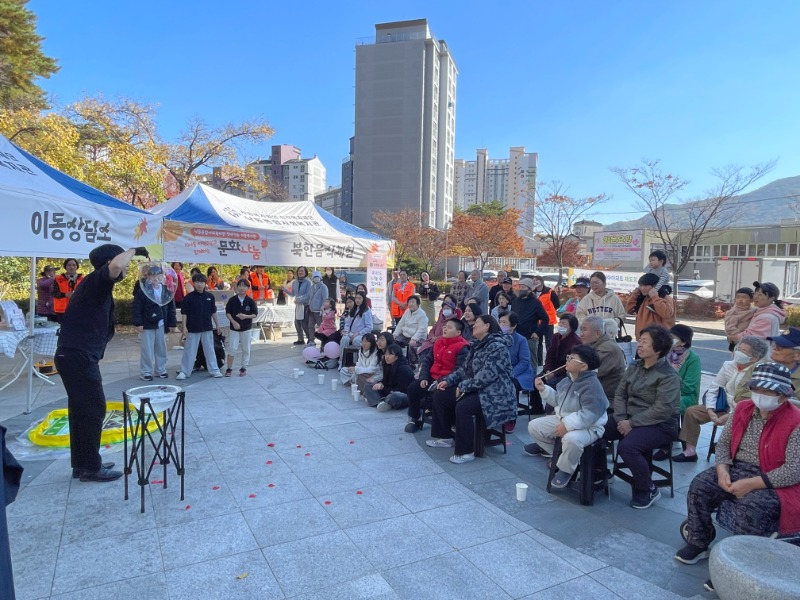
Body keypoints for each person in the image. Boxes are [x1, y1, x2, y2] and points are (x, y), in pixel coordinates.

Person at [675, 362, 800, 566]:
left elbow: (794, 470)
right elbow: (723, 445)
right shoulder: (743, 408)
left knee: (752, 506)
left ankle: (738, 563)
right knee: (700, 485)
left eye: (767, 391)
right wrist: (722, 470)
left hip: (771, 478)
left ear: (784, 395)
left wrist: (750, 484)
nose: (760, 395)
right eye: (757, 389)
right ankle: (699, 540)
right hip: (737, 467)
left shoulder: (796, 421)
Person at [54, 244, 150, 482]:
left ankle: (83, 463)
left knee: (81, 412)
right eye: (125, 264)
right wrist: (134, 250)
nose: (126, 268)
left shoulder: (95, 286)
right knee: (93, 409)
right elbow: (117, 265)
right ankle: (90, 467)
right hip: (78, 357)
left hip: (75, 356)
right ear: (109, 263)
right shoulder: (98, 280)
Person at [604, 324, 681, 509]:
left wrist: (632, 423)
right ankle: (598, 474)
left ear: (659, 348)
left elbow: (662, 409)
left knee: (628, 447)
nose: (639, 345)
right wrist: (621, 418)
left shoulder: (668, 375)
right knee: (597, 428)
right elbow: (620, 393)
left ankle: (648, 488)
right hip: (629, 417)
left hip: (661, 425)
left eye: (645, 342)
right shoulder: (634, 366)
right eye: (640, 340)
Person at [426, 315, 517, 463]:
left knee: (464, 407)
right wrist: (448, 381)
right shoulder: (476, 344)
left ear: (487, 326)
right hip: (477, 389)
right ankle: (445, 437)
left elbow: (487, 376)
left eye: (477, 324)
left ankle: (466, 451)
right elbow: (463, 370)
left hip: (495, 394)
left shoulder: (497, 347)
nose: (473, 326)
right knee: (440, 395)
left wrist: (463, 386)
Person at [673, 336, 769, 462]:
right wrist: (710, 410)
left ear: (754, 358)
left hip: (744, 411)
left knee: (738, 424)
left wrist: (731, 416)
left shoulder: (759, 372)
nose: (738, 352)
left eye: (744, 351)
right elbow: (715, 387)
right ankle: (690, 451)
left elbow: (753, 403)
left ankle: (733, 456)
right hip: (723, 406)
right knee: (692, 412)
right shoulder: (728, 365)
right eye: (738, 348)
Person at [526, 345, 609, 489]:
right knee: (535, 426)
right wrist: (543, 390)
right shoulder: (567, 381)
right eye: (568, 357)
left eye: (572, 358)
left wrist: (568, 425)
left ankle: (565, 470)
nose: (567, 360)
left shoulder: (592, 386)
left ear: (583, 367)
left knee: (572, 440)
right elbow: (558, 400)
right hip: (563, 419)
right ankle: (563, 457)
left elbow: (590, 414)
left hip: (590, 427)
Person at [404, 318, 470, 433]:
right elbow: (427, 361)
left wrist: (443, 380)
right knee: (413, 388)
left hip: (448, 380)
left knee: (440, 395)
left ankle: (446, 426)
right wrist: (423, 377)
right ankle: (414, 418)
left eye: (449, 327)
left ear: (458, 332)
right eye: (444, 327)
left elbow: (460, 369)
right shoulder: (438, 342)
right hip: (432, 376)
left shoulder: (463, 347)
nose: (445, 329)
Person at [652, 324, 701, 461]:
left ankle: (665, 445)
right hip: (664, 391)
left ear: (683, 341)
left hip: (685, 395)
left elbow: (690, 386)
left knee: (666, 405)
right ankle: (655, 438)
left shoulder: (692, 359)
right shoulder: (665, 354)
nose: (669, 339)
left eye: (672, 337)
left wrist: (667, 388)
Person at [132, 264, 177, 381]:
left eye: (159, 274)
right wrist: (138, 323)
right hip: (147, 323)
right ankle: (146, 371)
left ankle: (161, 369)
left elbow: (171, 308)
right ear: (148, 277)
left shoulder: (166, 289)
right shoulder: (143, 290)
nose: (156, 277)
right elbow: (136, 307)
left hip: (161, 323)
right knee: (147, 348)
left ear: (162, 276)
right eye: (153, 275)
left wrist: (172, 323)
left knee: (161, 347)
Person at [177, 273, 224, 380]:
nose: (199, 284)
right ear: (193, 283)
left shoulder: (209, 297)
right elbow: (184, 313)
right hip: (193, 328)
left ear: (205, 284)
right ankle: (184, 371)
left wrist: (217, 325)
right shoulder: (188, 298)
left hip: (207, 327)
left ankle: (214, 370)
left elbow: (213, 312)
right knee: (190, 350)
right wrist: (184, 327)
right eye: (197, 282)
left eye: (201, 282)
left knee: (209, 350)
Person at [578, 316, 627, 404]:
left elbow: (586, 374)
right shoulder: (593, 344)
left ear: (597, 333)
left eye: (584, 330)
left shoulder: (608, 349)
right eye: (580, 330)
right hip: (593, 395)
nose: (581, 334)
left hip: (606, 400)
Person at [499, 312, 535, 429]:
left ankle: (511, 417)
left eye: (504, 322)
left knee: (510, 385)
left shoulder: (521, 340)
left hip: (520, 372)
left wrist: (511, 374)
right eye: (500, 322)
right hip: (501, 371)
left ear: (513, 325)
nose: (501, 325)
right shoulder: (497, 337)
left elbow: (524, 362)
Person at [511, 278, 549, 369]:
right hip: (516, 336)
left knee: (531, 362)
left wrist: (538, 333)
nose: (520, 289)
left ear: (529, 289)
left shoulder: (535, 303)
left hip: (529, 338)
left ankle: (532, 381)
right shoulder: (515, 301)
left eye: (523, 287)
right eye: (520, 287)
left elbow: (545, 318)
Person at [575, 271, 626, 337]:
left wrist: (611, 323)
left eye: (596, 282)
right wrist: (590, 325)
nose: (594, 285)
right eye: (592, 283)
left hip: (609, 337)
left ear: (604, 283)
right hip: (591, 337)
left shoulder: (614, 298)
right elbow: (580, 315)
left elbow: (622, 316)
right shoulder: (586, 299)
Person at [625, 273, 676, 338]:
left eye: (645, 286)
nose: (642, 288)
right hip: (642, 338)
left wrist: (655, 297)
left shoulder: (665, 298)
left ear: (655, 286)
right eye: (640, 285)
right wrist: (635, 295)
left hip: (659, 340)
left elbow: (666, 314)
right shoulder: (644, 298)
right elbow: (628, 310)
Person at [224, 278, 257, 377]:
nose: (242, 288)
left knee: (246, 348)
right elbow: (228, 312)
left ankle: (244, 367)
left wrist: (245, 316)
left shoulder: (250, 301)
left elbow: (255, 314)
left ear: (248, 288)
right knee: (232, 348)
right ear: (237, 287)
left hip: (246, 328)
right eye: (240, 285)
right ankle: (229, 368)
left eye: (244, 286)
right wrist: (233, 321)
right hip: (234, 328)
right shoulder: (232, 300)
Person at [367, 344, 415, 411]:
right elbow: (385, 381)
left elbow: (401, 389)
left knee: (395, 396)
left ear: (397, 357)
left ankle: (383, 401)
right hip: (389, 391)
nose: (387, 357)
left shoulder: (403, 369)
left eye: (390, 354)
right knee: (368, 385)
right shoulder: (387, 365)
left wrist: (383, 387)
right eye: (386, 354)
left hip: (403, 394)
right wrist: (380, 384)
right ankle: (379, 403)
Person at [543, 314, 581, 387]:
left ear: (571, 327)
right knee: (535, 381)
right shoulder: (556, 336)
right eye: (560, 322)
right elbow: (549, 355)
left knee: (551, 385)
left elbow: (570, 363)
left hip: (565, 373)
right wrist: (547, 370)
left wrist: (554, 374)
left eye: (564, 324)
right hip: (551, 370)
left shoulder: (576, 342)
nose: (560, 325)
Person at [531, 275, 561, 365]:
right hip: (537, 321)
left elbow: (557, 304)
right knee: (538, 343)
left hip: (548, 321)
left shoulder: (549, 292)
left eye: (536, 280)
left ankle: (550, 362)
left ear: (541, 281)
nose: (535, 282)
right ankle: (539, 362)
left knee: (549, 342)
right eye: (533, 280)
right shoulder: (532, 293)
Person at [393, 295, 429, 365]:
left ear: (418, 304)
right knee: (394, 340)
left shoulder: (422, 314)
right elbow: (401, 324)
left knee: (412, 346)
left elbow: (421, 329)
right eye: (409, 302)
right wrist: (395, 334)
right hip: (406, 335)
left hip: (418, 337)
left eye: (413, 302)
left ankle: (413, 364)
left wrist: (414, 339)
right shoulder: (407, 311)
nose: (410, 304)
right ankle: (398, 361)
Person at [356, 331, 394, 395]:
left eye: (382, 340)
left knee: (365, 382)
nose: (379, 342)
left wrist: (374, 379)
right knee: (360, 377)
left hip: (388, 380)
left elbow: (387, 373)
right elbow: (379, 371)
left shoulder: (391, 353)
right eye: (378, 340)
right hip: (379, 376)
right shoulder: (379, 353)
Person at [724, 287, 755, 352]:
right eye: (738, 297)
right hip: (738, 341)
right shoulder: (732, 312)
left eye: (744, 297)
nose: (740, 299)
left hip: (750, 340)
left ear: (751, 300)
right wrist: (738, 337)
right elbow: (729, 327)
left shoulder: (754, 311)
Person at [286, 266, 311, 345]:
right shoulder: (295, 282)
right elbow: (293, 294)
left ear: (305, 272)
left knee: (304, 323)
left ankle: (310, 339)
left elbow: (308, 295)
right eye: (299, 271)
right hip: (298, 305)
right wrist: (285, 290)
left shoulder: (308, 282)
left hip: (305, 305)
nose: (300, 272)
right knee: (297, 323)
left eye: (302, 271)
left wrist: (300, 300)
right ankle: (300, 339)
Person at [307, 271, 328, 345]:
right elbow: (309, 297)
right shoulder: (312, 287)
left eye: (317, 277)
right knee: (310, 326)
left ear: (320, 278)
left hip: (319, 311)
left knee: (321, 326)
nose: (316, 278)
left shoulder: (323, 287)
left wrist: (322, 307)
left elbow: (325, 299)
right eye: (314, 277)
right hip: (311, 310)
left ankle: (324, 340)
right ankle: (311, 340)